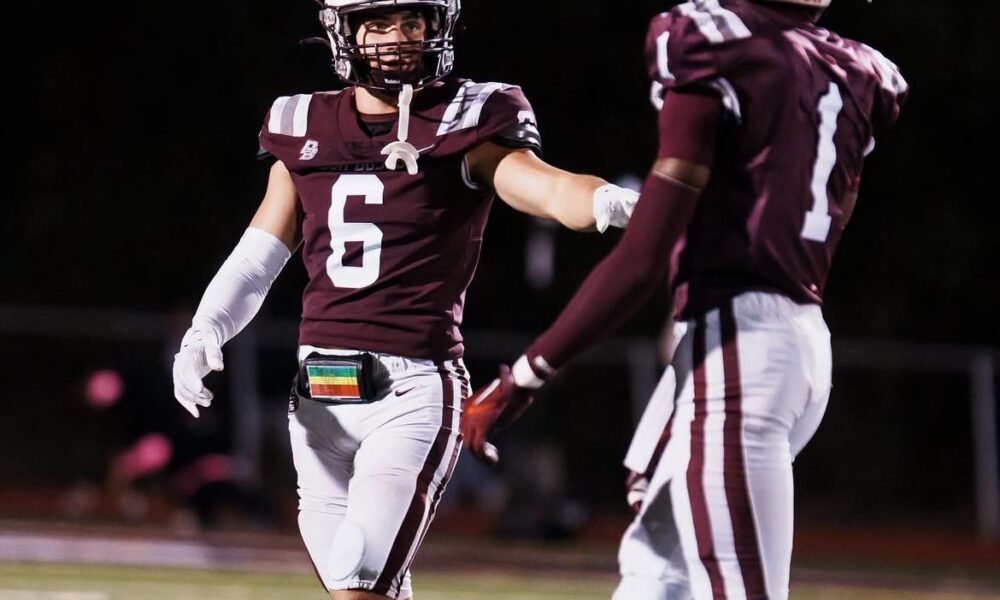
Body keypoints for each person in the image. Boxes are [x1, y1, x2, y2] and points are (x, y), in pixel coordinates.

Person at [170, 1, 639, 598]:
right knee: (370, 588)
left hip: (411, 390)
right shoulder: (303, 122)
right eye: (380, 23)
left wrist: (606, 202)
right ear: (343, 31)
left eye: (413, 23)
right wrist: (207, 327)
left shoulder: (465, 117)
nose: (399, 38)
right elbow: (261, 253)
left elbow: (546, 188)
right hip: (316, 395)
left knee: (359, 579)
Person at [461, 0, 908, 598]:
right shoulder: (856, 70)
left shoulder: (712, 39)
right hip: (796, 341)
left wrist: (524, 376)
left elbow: (641, 261)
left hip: (738, 351)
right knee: (656, 569)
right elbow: (828, 213)